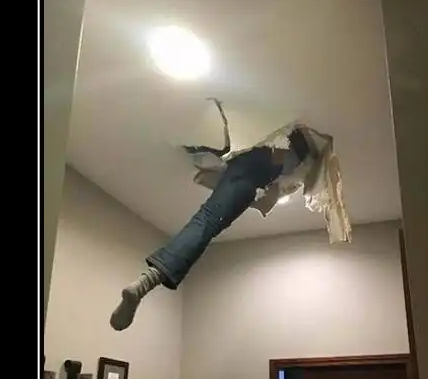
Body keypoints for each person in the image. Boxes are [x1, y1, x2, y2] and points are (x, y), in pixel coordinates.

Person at [110, 99, 351, 331]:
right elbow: (278, 174)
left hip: (249, 170)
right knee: (206, 223)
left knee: (206, 220)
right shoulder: (284, 159)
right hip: (254, 173)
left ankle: (145, 283)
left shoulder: (269, 159)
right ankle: (144, 284)